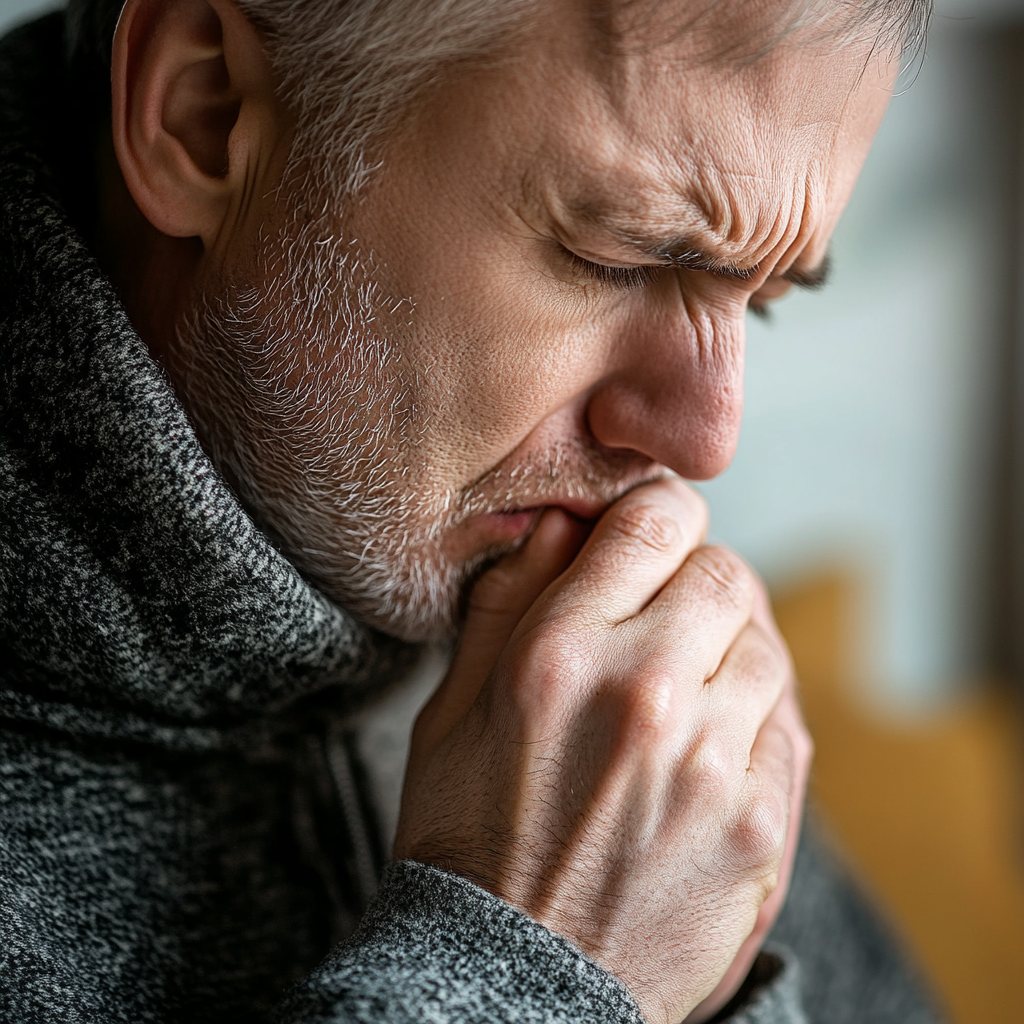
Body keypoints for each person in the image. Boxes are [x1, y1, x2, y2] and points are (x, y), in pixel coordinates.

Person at [0, 0, 944, 1021]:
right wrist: (542, 968)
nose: (704, 441)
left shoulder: (610, 687)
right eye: (618, 257)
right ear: (204, 113)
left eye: (759, 302)